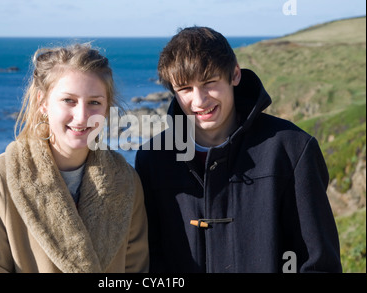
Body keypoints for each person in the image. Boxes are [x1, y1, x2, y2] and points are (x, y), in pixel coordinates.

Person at [135, 27, 342, 273]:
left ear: (234, 75)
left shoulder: (293, 149)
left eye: (210, 82)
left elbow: (319, 264)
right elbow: (147, 261)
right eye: (185, 89)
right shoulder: (152, 159)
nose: (199, 101)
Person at [0, 43, 149, 273]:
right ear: (43, 103)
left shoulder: (125, 182)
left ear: (106, 109)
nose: (82, 116)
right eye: (69, 100)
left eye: (94, 102)